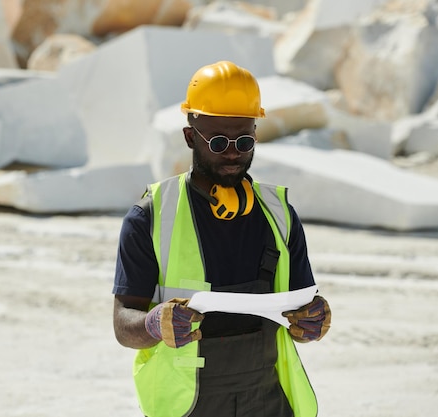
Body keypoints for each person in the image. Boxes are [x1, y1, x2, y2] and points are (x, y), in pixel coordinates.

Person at [112, 60, 331, 417]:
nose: (233, 153)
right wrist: (154, 323)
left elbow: (299, 317)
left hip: (269, 398)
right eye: (218, 141)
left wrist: (311, 322)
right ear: (189, 137)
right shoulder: (151, 216)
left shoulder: (279, 213)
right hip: (189, 403)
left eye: (244, 140)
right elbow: (124, 324)